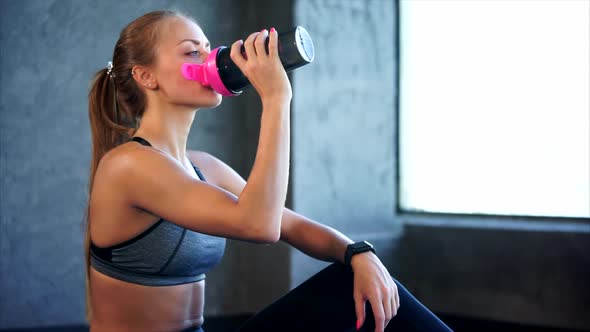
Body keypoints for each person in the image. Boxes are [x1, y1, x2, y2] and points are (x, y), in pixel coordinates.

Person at [84, 9, 453, 332]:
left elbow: (288, 223)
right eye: (191, 51)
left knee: (354, 280)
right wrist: (276, 98)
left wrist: (360, 253)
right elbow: (259, 225)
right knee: (345, 287)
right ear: (147, 77)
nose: (210, 56)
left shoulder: (203, 167)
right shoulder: (128, 165)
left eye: (208, 47)